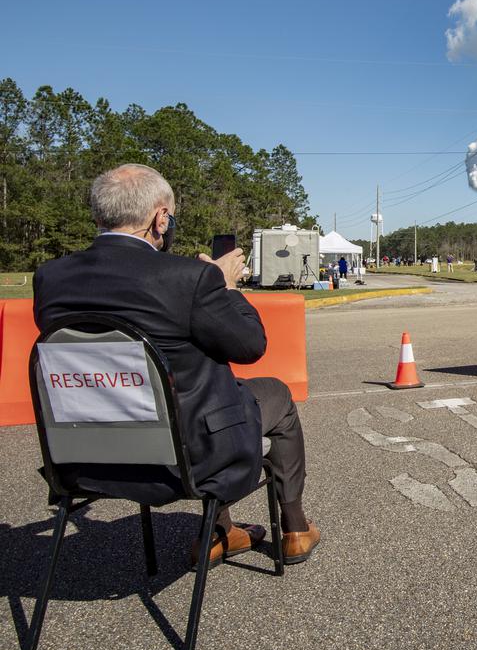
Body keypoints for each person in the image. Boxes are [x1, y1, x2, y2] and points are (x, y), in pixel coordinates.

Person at [33, 164, 322, 565]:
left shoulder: (50, 277)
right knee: (276, 395)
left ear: (100, 216)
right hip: (185, 460)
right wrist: (226, 287)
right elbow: (250, 345)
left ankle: (222, 532)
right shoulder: (189, 279)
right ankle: (294, 530)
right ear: (160, 217)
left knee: (193, 385)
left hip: (83, 458)